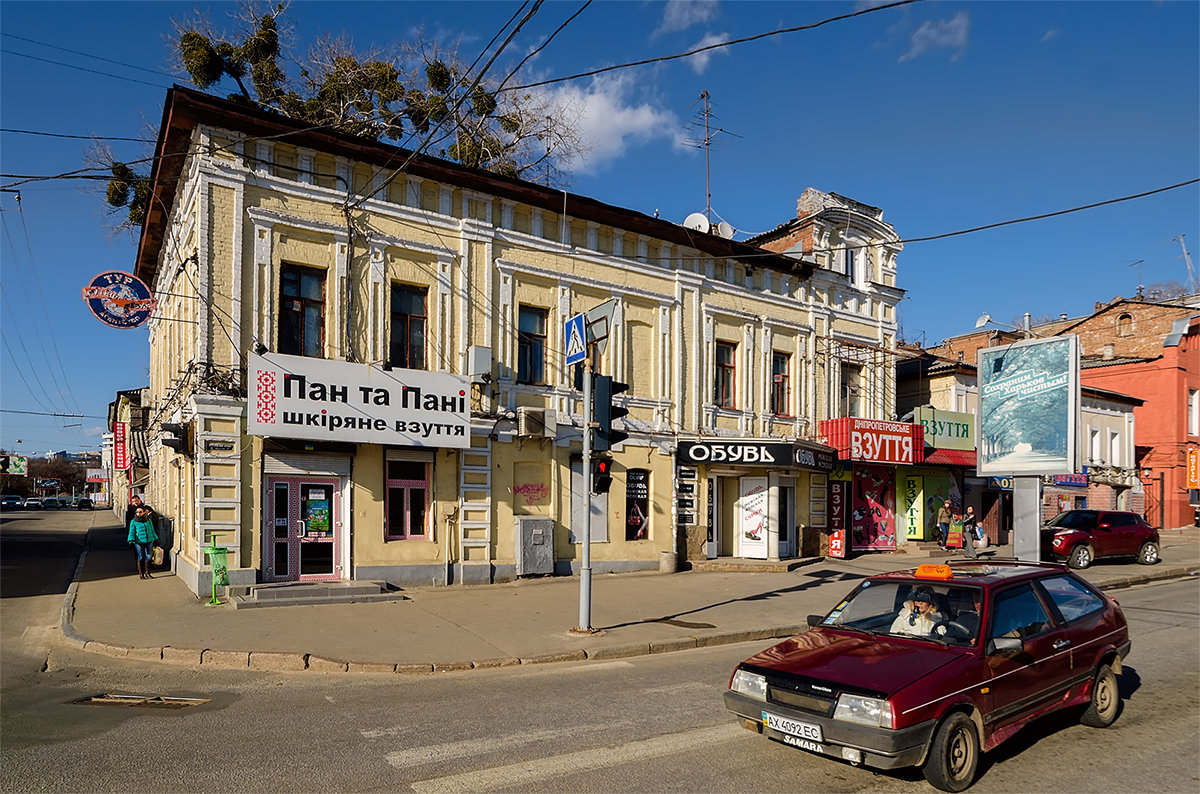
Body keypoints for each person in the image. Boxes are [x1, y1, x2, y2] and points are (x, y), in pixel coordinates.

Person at [127, 504, 159, 579]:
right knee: (140, 557)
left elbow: (152, 530)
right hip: (139, 541)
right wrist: (131, 540)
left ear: (144, 512)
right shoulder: (133, 522)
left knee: (149, 557)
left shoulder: (148, 520)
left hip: (149, 540)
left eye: (140, 512)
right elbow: (131, 532)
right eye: (137, 512)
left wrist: (156, 538)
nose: (138, 513)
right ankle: (141, 574)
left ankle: (147, 573)